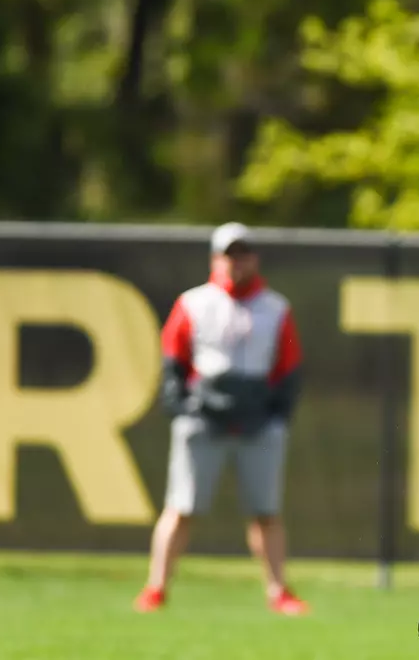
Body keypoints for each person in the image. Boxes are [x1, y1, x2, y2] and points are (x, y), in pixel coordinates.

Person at [134, 222, 307, 616]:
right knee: (180, 507)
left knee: (266, 511)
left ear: (255, 258)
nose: (238, 261)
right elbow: (172, 362)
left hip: (258, 421)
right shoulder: (193, 302)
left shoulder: (275, 307)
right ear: (216, 258)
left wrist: (276, 415)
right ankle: (156, 587)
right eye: (230, 253)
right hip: (204, 419)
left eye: (244, 253)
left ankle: (279, 591)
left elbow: (289, 368)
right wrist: (183, 408)